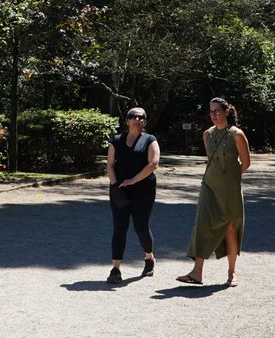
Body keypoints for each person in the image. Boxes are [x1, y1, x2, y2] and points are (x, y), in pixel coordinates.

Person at [177, 97, 251, 287]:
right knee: (201, 225)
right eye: (211, 112)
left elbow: (246, 163)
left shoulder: (237, 134)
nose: (214, 115)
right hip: (209, 186)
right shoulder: (207, 135)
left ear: (226, 111)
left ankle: (232, 273)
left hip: (229, 189)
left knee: (230, 229)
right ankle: (197, 273)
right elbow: (212, 160)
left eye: (217, 111)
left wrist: (230, 179)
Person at [106, 106, 161, 284]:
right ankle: (115, 269)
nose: (137, 119)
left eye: (140, 117)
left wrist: (134, 180)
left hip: (143, 189)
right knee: (119, 228)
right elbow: (110, 165)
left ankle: (149, 258)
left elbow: (154, 163)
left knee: (140, 227)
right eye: (133, 116)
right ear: (127, 120)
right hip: (120, 190)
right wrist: (115, 185)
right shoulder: (116, 140)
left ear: (144, 121)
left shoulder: (150, 140)